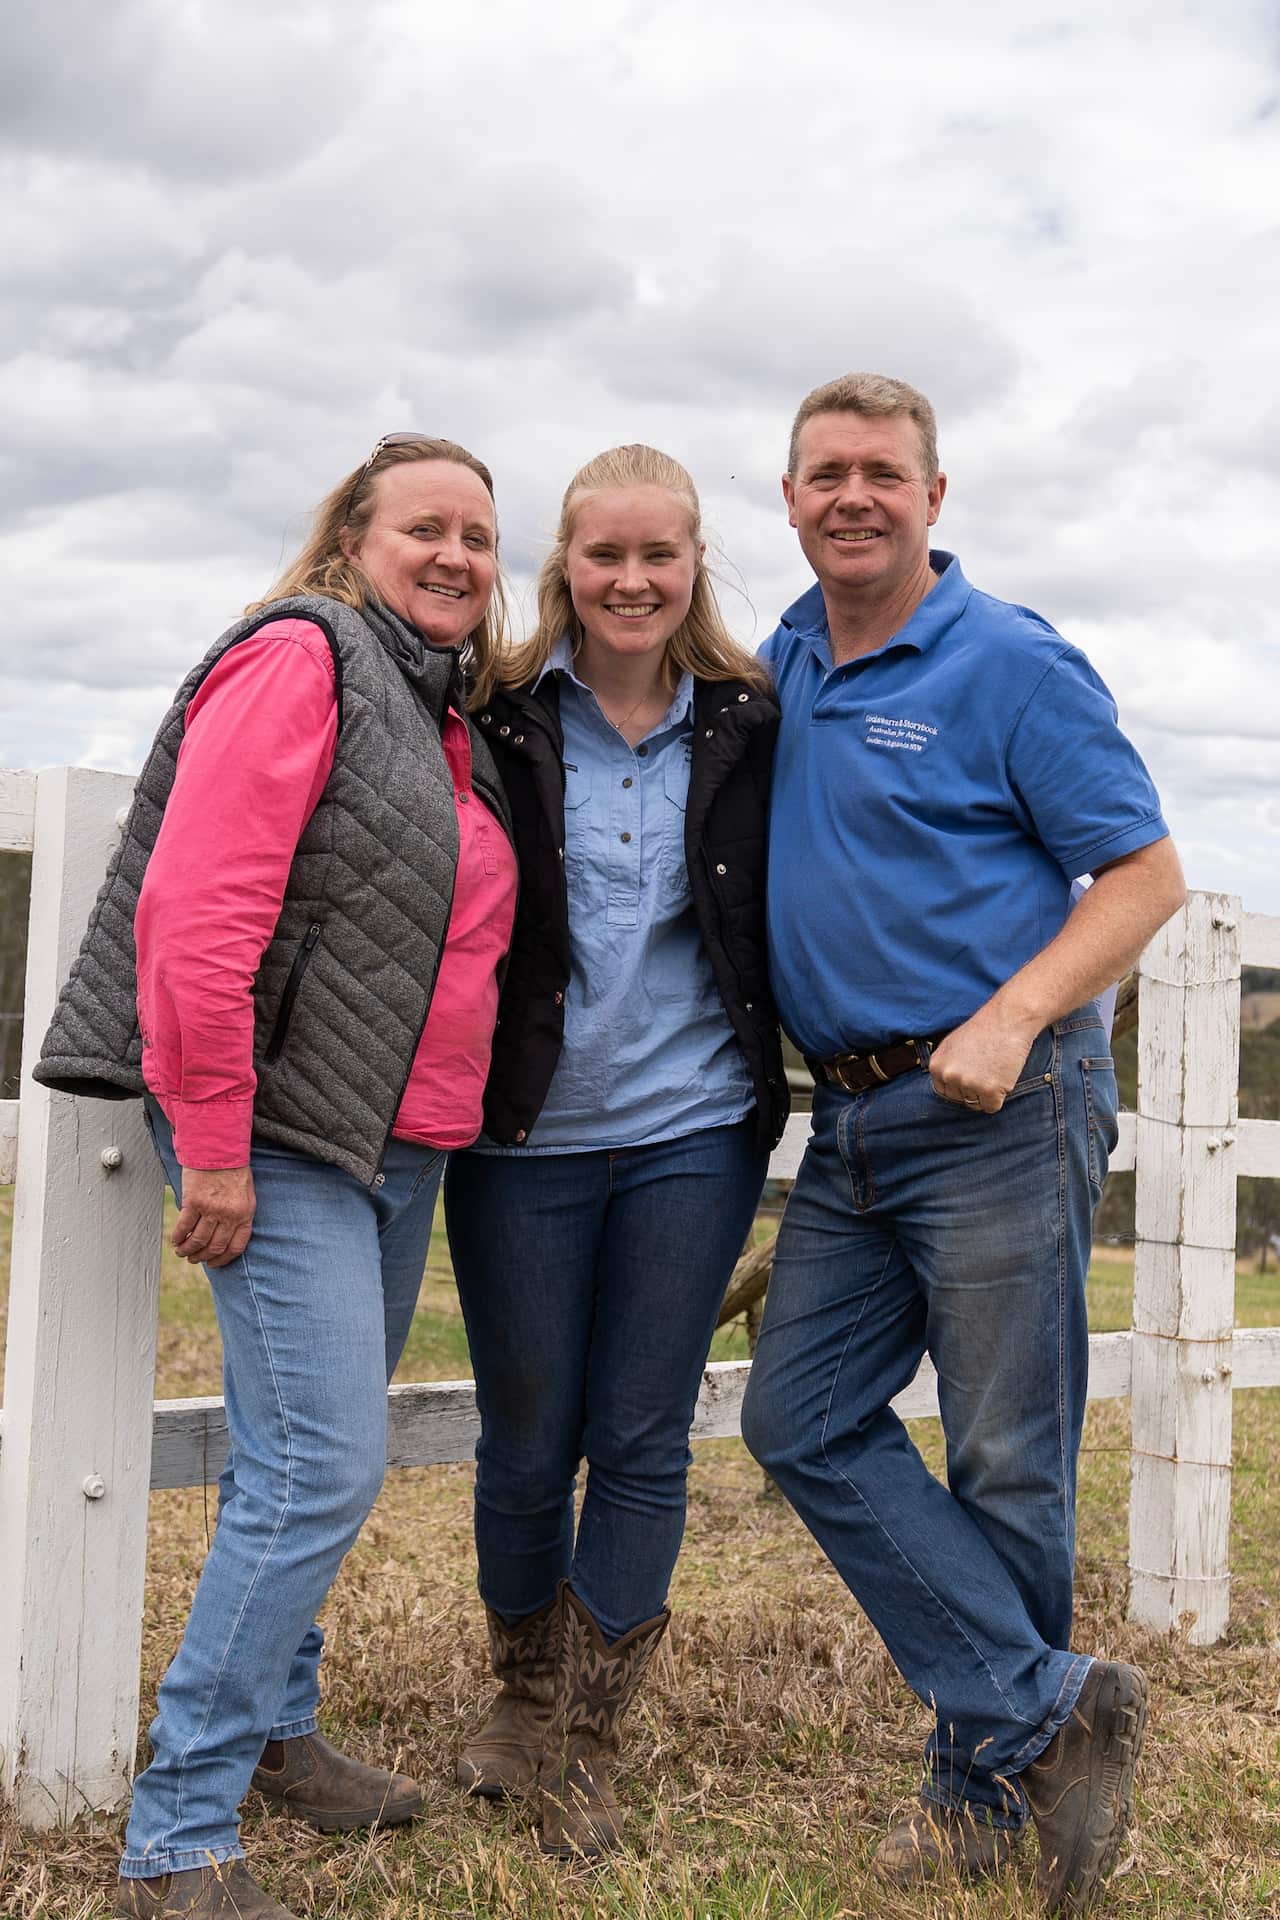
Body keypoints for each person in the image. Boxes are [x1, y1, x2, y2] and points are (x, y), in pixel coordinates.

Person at [34, 435, 519, 1920]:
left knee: (299, 1455)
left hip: (397, 1137)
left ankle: (282, 1737)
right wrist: (221, 1145)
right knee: (321, 1468)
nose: (454, 555)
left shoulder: (446, 715)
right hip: (291, 1135)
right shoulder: (301, 660)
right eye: (423, 527)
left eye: (481, 537)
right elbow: (198, 910)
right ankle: (175, 1834)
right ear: (352, 541)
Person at [739, 375, 1186, 1915]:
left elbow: (1139, 874)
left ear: (938, 495)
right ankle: (1050, 1708)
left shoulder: (1010, 661)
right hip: (853, 1114)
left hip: (1000, 1101)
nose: (851, 496)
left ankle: (980, 1807)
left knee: (1004, 1455)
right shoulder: (787, 655)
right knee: (798, 1420)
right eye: (824, 475)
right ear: (787, 501)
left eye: (882, 472)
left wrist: (1012, 1017)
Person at [443, 443, 789, 1858]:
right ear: (565, 568)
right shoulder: (495, 713)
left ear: (695, 562)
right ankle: (521, 1696)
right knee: (528, 1437)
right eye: (607, 556)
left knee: (643, 1437)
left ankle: (590, 1734)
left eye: (662, 554)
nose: (634, 580)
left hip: (694, 1132)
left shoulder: (756, 721)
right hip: (522, 1133)